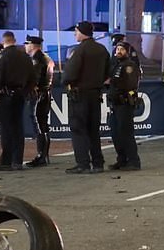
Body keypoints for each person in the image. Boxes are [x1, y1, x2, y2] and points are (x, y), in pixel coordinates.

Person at [62, 21, 111, 174]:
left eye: (76, 31)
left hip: (80, 95)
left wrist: (66, 81)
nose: (74, 34)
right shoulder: (102, 49)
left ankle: (83, 163)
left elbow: (70, 74)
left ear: (82, 32)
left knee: (79, 129)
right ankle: (98, 162)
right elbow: (108, 72)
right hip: (95, 95)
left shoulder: (79, 50)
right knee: (93, 130)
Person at [0, 31, 36, 171]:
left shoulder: (2, 57)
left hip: (4, 96)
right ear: (14, 40)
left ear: (3, 41)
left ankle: (6, 161)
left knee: (6, 129)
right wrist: (24, 92)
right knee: (17, 128)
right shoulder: (25, 57)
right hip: (19, 96)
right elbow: (33, 79)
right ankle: (17, 160)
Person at [107, 41, 141, 171]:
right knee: (116, 133)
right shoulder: (116, 65)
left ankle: (133, 161)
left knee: (126, 133)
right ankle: (121, 160)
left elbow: (129, 84)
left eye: (121, 49)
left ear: (127, 51)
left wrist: (113, 82)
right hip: (115, 104)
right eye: (117, 49)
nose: (118, 51)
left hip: (124, 103)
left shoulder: (129, 65)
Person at [24, 35, 54, 168]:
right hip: (45, 94)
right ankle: (43, 155)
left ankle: (41, 156)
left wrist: (29, 89)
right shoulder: (46, 57)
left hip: (39, 95)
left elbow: (34, 79)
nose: (25, 46)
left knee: (39, 125)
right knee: (43, 124)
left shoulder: (37, 59)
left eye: (27, 44)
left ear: (32, 45)